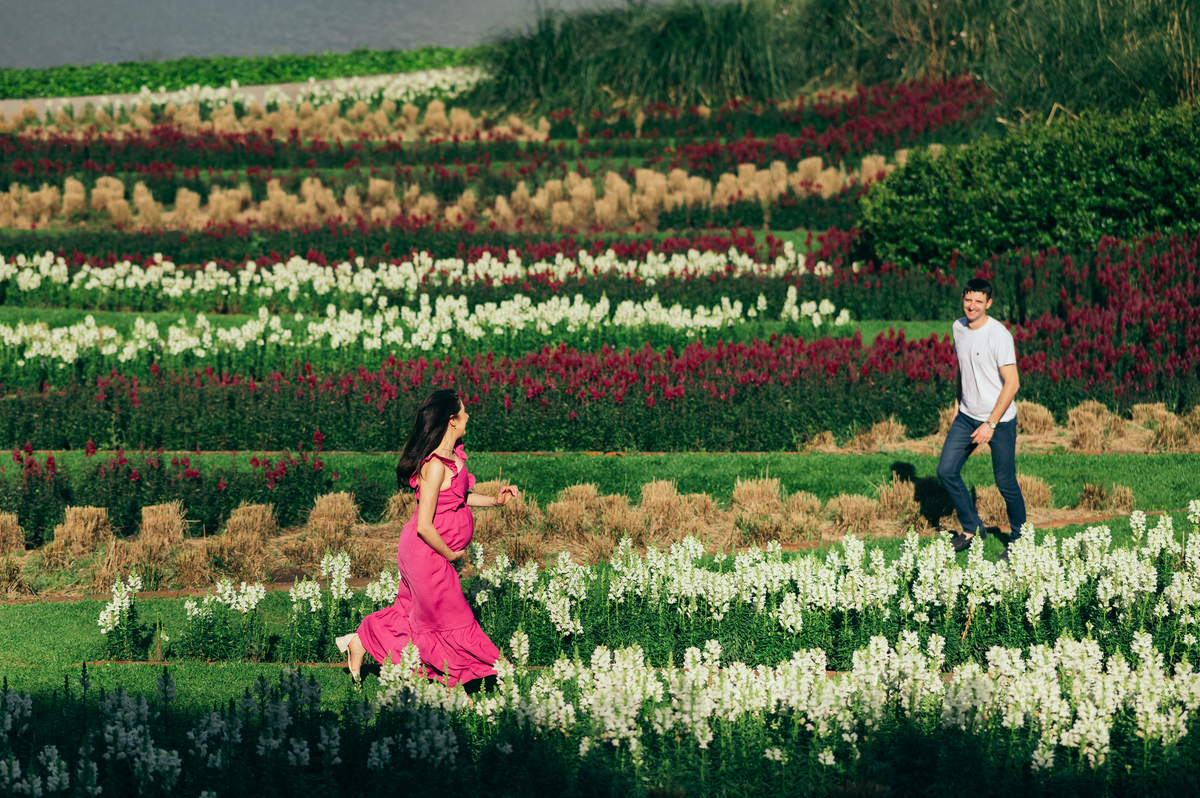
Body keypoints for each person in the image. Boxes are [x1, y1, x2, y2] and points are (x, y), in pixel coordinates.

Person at [335, 388, 519, 687]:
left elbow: (461, 497)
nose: (468, 415)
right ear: (452, 421)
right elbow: (424, 525)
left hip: (435, 553)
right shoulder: (434, 467)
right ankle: (458, 683)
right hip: (426, 555)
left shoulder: (454, 457)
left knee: (409, 614)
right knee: (451, 619)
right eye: (464, 411)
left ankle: (359, 641)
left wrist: (496, 502)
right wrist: (451, 555)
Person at [936, 278, 1027, 560]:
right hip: (966, 416)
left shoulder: (999, 335)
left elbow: (1012, 384)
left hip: (997, 421)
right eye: (968, 300)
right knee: (946, 470)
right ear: (963, 299)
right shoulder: (958, 328)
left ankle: (1019, 539)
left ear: (988, 303)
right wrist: (956, 405)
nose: (972, 306)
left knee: (1004, 481)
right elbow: (963, 370)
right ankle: (972, 527)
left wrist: (990, 423)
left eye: (978, 301)